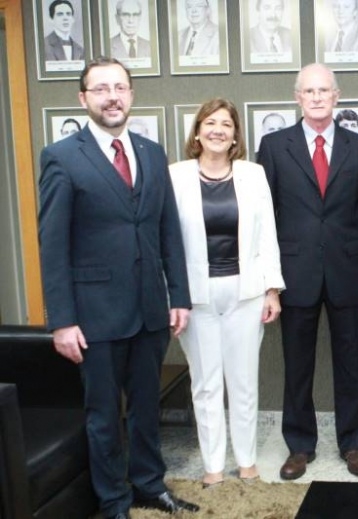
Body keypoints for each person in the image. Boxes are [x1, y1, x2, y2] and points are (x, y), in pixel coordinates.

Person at [37, 57, 198, 519]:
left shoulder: (151, 152)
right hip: (95, 314)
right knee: (104, 416)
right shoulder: (61, 156)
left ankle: (149, 485)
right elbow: (53, 244)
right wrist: (62, 321)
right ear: (83, 98)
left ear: (131, 94)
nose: (112, 97)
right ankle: (113, 502)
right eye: (101, 89)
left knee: (147, 408)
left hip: (150, 309)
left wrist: (179, 296)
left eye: (120, 87)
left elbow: (168, 230)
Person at [256, 63, 358, 480]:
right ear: (297, 98)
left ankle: (353, 444)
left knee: (350, 363)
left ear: (336, 96)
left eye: (323, 90)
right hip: (295, 273)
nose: (316, 97)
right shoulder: (275, 146)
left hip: (348, 271)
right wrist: (270, 282)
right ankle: (299, 446)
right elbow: (265, 219)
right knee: (297, 365)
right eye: (308, 91)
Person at [169, 98, 284, 488]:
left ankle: (247, 461)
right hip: (195, 296)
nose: (218, 130)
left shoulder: (253, 174)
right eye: (210, 123)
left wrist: (272, 289)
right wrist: (173, 296)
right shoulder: (175, 176)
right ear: (197, 132)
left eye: (226, 124)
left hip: (246, 292)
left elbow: (267, 234)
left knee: (244, 381)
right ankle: (213, 465)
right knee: (205, 384)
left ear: (236, 135)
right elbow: (166, 241)